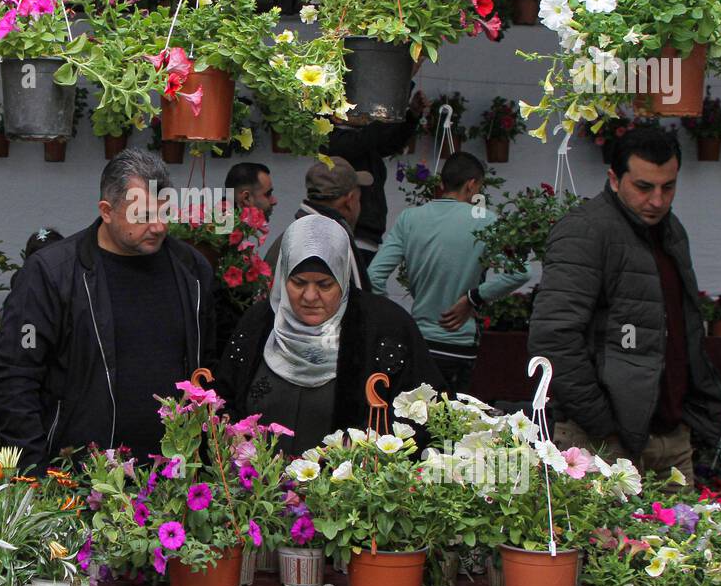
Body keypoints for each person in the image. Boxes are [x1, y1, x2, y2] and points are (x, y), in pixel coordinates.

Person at [528, 127, 721, 487]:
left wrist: (695, 413)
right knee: (600, 544)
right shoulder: (585, 231)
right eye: (643, 187)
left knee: (683, 540)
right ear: (614, 179)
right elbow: (554, 337)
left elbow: (684, 326)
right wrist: (604, 424)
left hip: (671, 436)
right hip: (602, 442)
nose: (657, 200)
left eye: (668, 187)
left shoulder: (671, 231)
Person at [0, 149, 214, 469]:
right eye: (144, 215)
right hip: (79, 479)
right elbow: (14, 375)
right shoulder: (52, 274)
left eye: (165, 212)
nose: (160, 226)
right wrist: (32, 473)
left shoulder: (192, 271)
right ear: (106, 211)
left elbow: (208, 367)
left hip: (175, 482)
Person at [214, 215, 445, 455]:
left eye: (325, 285)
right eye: (298, 282)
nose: (310, 296)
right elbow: (223, 397)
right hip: (261, 487)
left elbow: (423, 412)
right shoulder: (259, 323)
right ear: (283, 277)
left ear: (343, 277)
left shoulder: (386, 329)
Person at [367, 151, 531, 394]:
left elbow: (374, 275)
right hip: (459, 342)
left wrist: (394, 322)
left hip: (419, 341)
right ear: (472, 184)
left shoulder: (410, 219)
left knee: (412, 421)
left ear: (442, 183)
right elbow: (520, 272)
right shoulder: (486, 220)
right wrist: (472, 298)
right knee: (453, 422)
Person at [326, 92, 428, 271]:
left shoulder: (362, 139)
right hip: (348, 237)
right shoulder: (333, 139)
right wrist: (395, 94)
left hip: (366, 238)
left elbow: (390, 142)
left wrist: (412, 115)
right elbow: (371, 137)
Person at [265, 157, 371, 292]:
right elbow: (358, 304)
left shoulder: (291, 236)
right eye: (358, 199)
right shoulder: (334, 241)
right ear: (349, 201)